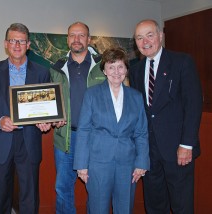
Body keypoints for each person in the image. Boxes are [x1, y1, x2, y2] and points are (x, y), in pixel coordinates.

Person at [129, 19, 203, 213]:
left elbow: (193, 105)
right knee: (154, 204)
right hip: (149, 152)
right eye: (139, 37)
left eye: (149, 35)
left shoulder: (182, 62)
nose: (145, 41)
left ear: (160, 36)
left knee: (181, 205)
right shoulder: (135, 70)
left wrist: (187, 144)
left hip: (178, 150)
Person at [0, 23, 51, 214]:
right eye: (13, 40)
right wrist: (0, 119)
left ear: (28, 44)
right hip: (1, 139)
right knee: (1, 195)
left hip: (29, 140)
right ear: (6, 44)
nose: (17, 45)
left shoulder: (42, 72)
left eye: (21, 41)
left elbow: (46, 107)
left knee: (29, 196)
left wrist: (46, 120)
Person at [73, 47, 149, 214]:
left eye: (120, 66)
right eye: (111, 66)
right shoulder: (92, 94)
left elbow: (141, 132)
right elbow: (84, 130)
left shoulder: (136, 97)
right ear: (104, 70)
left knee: (125, 208)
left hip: (127, 164)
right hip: (98, 164)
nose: (116, 71)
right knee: (97, 208)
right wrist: (81, 165)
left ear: (126, 70)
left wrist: (142, 162)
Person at [50, 21, 106, 213]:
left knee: (97, 189)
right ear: (67, 40)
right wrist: (51, 117)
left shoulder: (104, 66)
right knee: (63, 188)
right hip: (66, 137)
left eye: (81, 35)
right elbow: (50, 102)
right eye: (72, 35)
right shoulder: (56, 68)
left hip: (96, 138)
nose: (76, 39)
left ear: (89, 39)